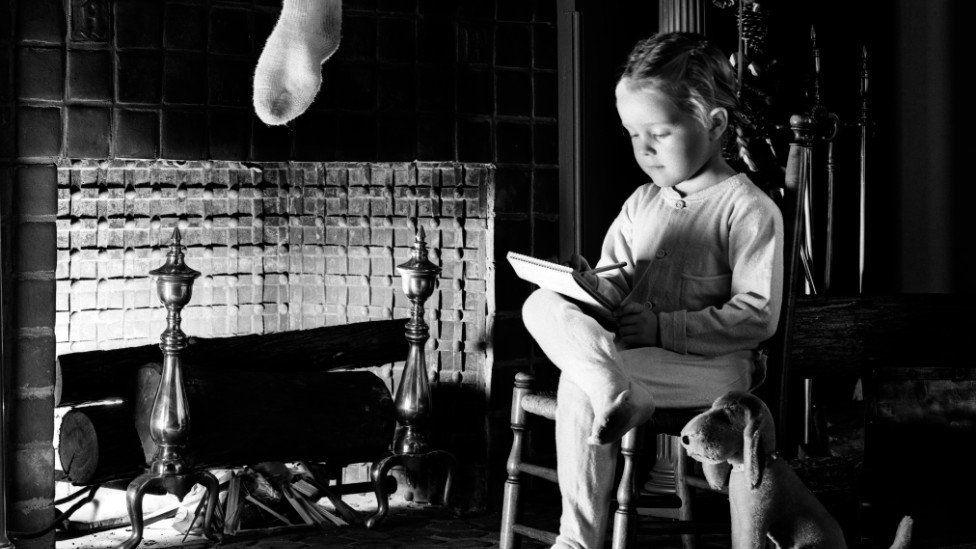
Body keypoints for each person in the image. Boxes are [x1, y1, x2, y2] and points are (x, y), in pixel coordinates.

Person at [520, 32, 784, 549]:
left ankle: (577, 540)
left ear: (713, 123)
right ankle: (616, 388)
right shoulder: (641, 203)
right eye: (632, 135)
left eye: (659, 133)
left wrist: (664, 327)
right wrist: (589, 284)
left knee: (580, 383)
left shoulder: (747, 209)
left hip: (711, 369)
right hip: (634, 360)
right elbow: (619, 280)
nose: (644, 149)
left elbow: (758, 315)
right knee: (538, 303)